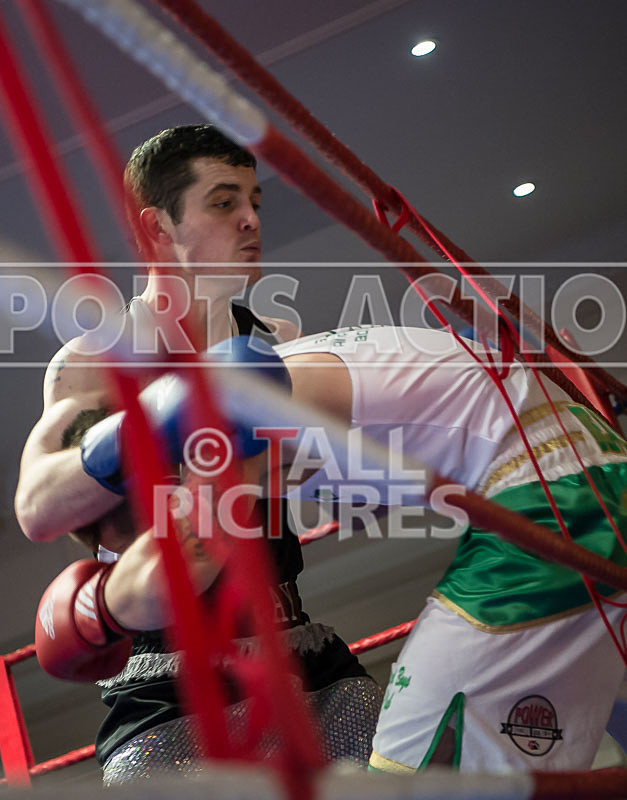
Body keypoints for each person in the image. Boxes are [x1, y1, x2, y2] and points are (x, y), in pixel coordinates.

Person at [15, 125, 382, 782]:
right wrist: (156, 424)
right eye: (222, 202)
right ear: (156, 229)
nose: (250, 221)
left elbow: (331, 468)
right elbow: (40, 508)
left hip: (300, 647)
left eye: (254, 201)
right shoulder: (92, 363)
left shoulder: (278, 341)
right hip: (168, 683)